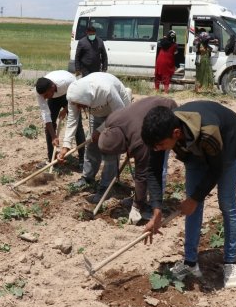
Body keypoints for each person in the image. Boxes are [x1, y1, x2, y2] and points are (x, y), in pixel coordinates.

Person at [140, 101, 236, 288]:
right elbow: (153, 170)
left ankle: (230, 262)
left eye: (161, 145)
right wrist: (156, 210)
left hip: (225, 148)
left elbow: (216, 169)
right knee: (191, 208)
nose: (158, 149)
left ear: (176, 134)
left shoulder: (209, 132)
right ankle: (190, 263)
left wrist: (196, 198)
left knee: (227, 204)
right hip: (194, 153)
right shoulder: (159, 134)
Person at [97, 96, 177, 223]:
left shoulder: (141, 142)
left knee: (158, 167)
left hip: (166, 112)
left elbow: (142, 174)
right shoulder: (111, 120)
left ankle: (153, 205)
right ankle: (142, 198)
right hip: (150, 106)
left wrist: (136, 206)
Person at [57, 72, 131, 200]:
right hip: (98, 112)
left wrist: (100, 130)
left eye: (80, 105)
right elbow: (72, 120)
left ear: (87, 99)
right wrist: (66, 146)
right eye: (77, 105)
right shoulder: (74, 96)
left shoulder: (106, 90)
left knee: (110, 148)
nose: (79, 108)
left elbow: (120, 113)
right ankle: (88, 177)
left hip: (119, 110)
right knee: (91, 144)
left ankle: (106, 187)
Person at [34, 71, 85, 165]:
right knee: (49, 127)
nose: (44, 98)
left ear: (52, 87)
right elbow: (45, 114)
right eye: (43, 96)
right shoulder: (40, 92)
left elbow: (76, 97)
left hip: (70, 94)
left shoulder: (67, 81)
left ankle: (82, 161)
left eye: (46, 95)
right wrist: (54, 136)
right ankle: (52, 159)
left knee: (77, 126)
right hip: (54, 98)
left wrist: (65, 109)